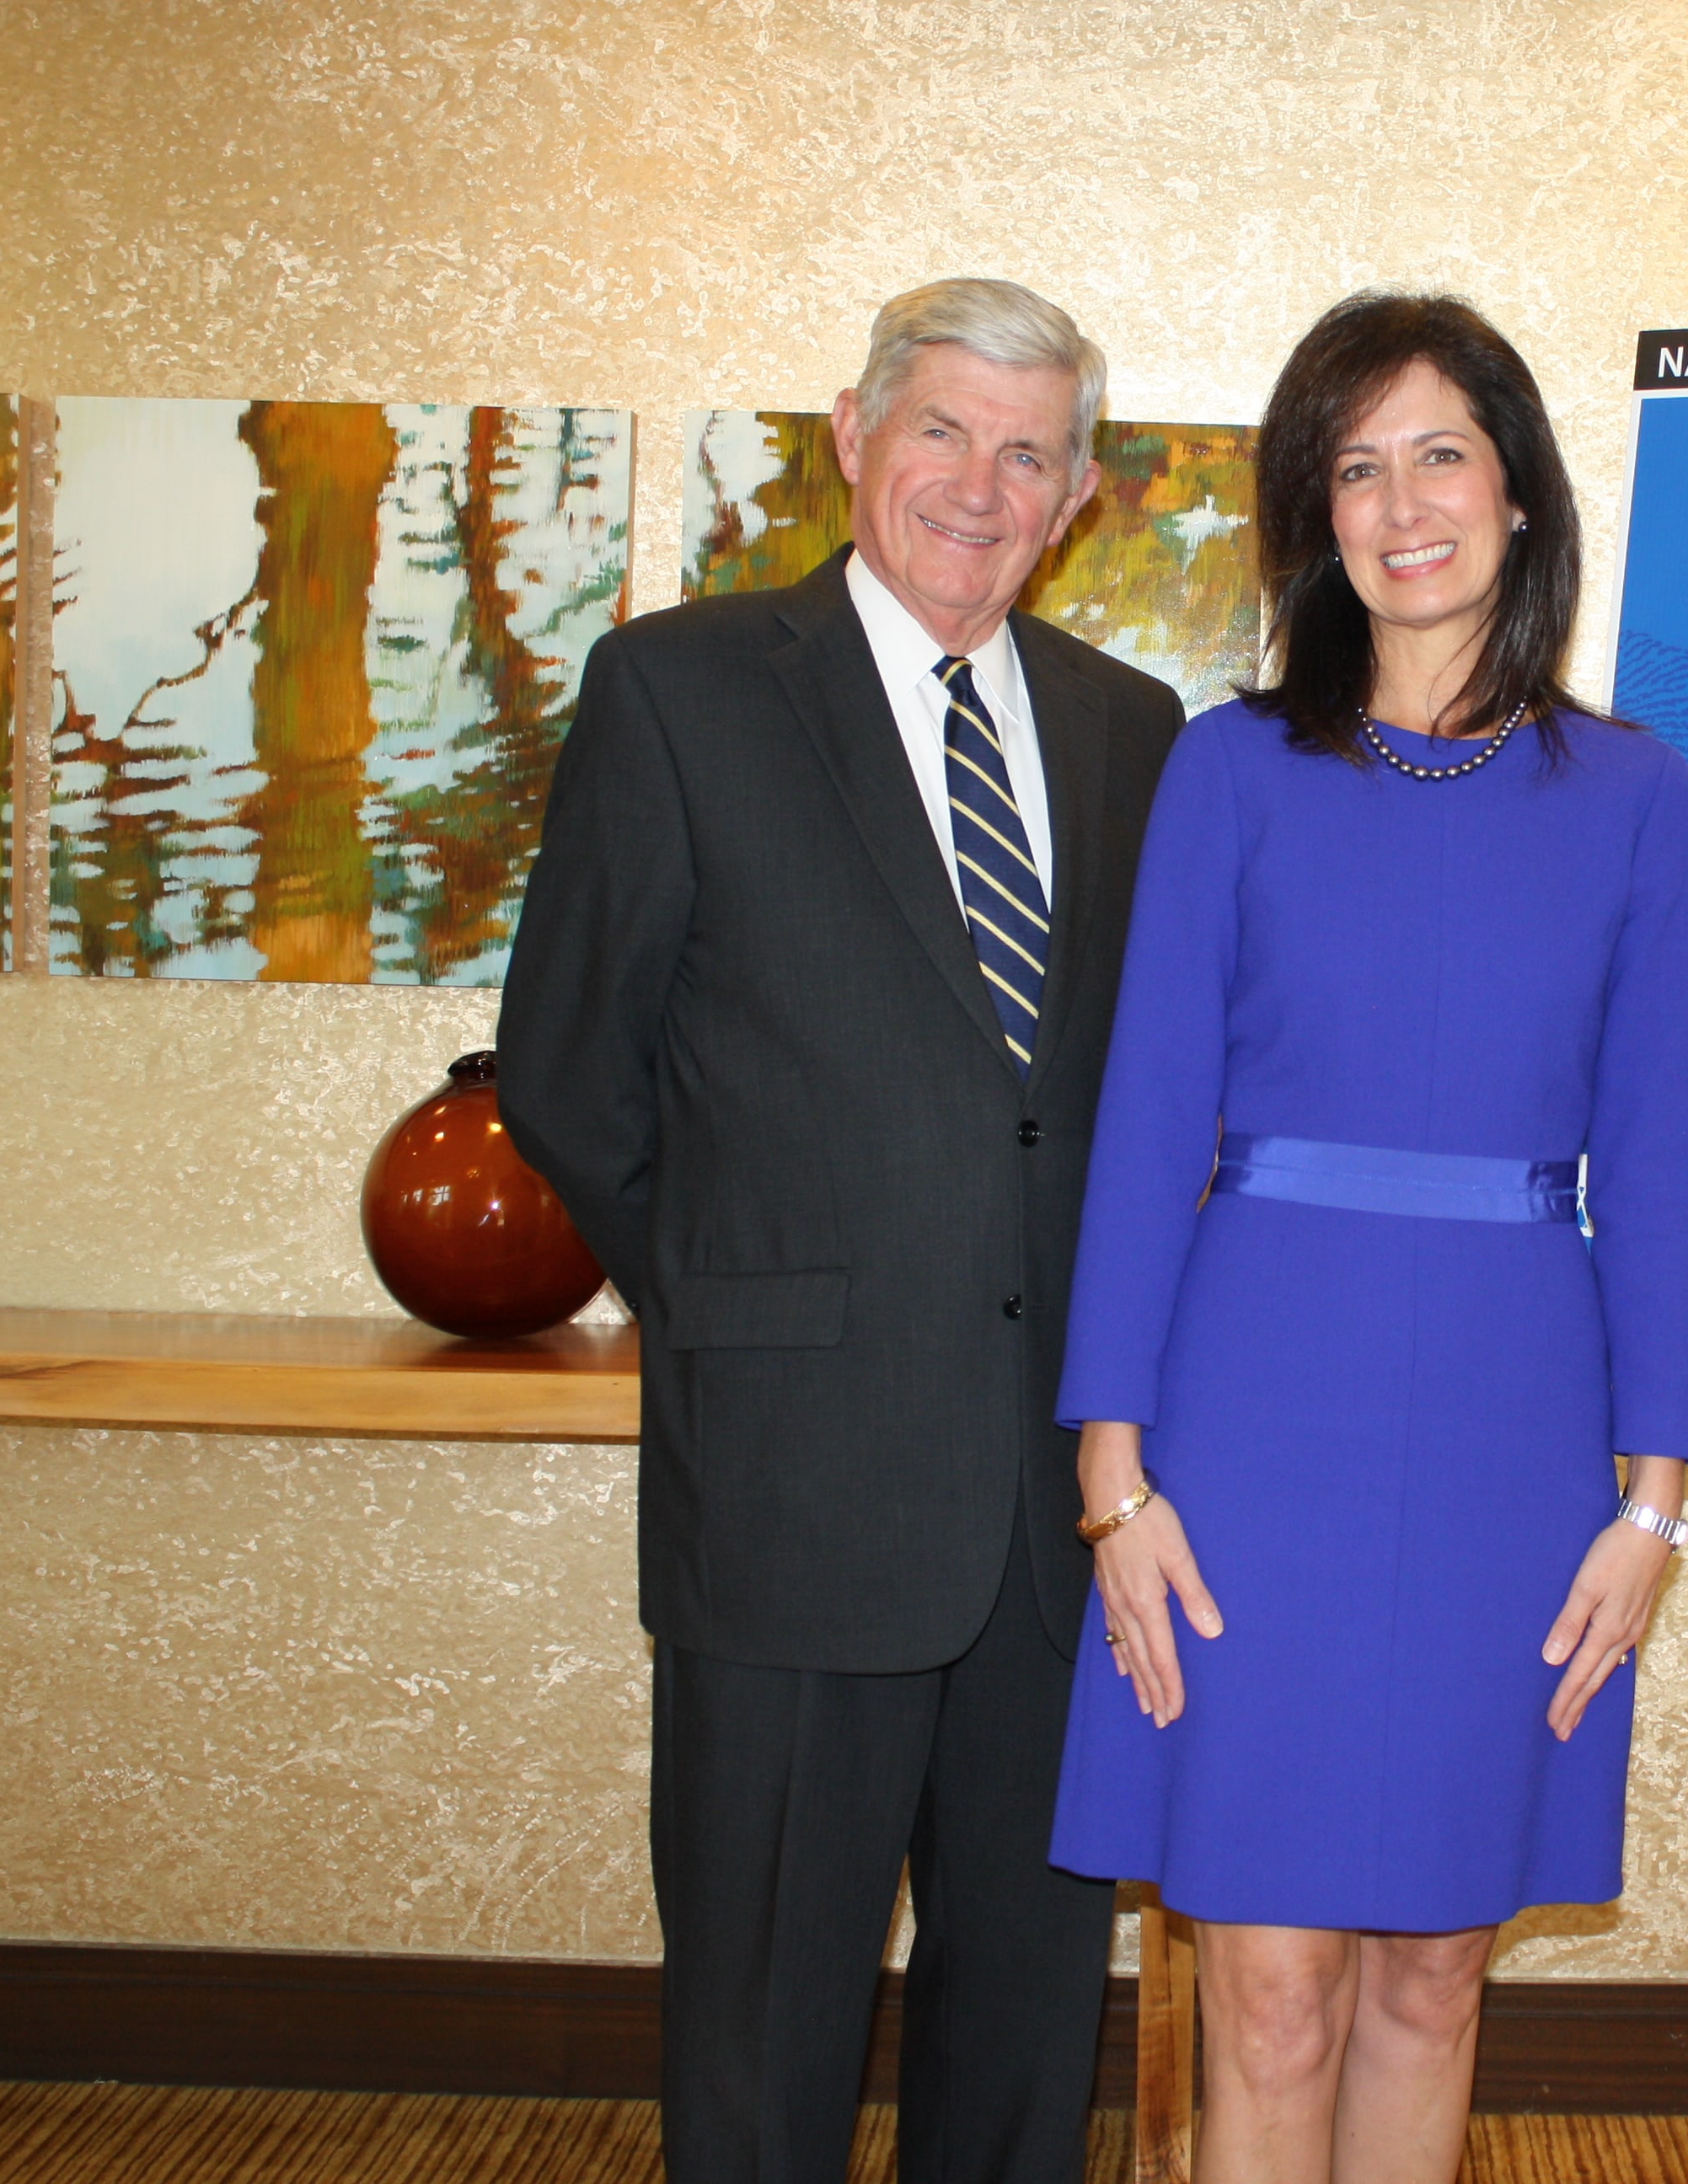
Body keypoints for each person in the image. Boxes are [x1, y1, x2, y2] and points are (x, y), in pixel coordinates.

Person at [497, 277, 1186, 2184]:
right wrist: (736, 1303)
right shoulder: (682, 688)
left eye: (1028, 452)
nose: (979, 483)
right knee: (763, 2026)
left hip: (1058, 1510)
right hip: (792, 1487)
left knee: (1027, 2033)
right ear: (853, 438)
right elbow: (568, 1070)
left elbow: (1139, 1100)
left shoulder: (1135, 731)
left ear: (1075, 497)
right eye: (942, 429)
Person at [1047, 292, 1688, 2183]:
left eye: (1441, 455)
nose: (1402, 504)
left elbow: (1662, 1170)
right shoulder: (1228, 770)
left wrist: (1654, 1508)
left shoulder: (1638, 798)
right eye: (1357, 468)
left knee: (1434, 1976)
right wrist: (1113, 1478)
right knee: (1267, 1991)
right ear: (1315, 516)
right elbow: (1145, 1130)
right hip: (1252, 1428)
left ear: (1519, 495)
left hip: (1517, 1433)